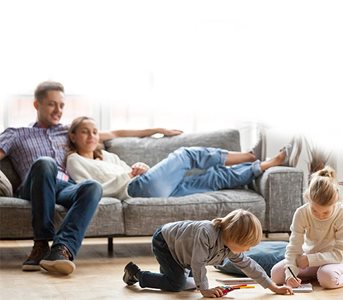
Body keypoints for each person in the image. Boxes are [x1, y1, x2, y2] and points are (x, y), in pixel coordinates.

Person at [0, 81, 182, 275]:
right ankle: (41, 243)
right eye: (52, 104)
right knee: (45, 163)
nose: (58, 110)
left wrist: (158, 130)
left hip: (64, 186)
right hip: (34, 185)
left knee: (93, 187)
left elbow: (116, 133)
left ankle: (62, 250)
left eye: (61, 105)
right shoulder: (16, 134)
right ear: (37, 105)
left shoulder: (68, 131)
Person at [65, 116, 302, 199]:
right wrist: (130, 175)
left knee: (213, 178)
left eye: (94, 132)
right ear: (73, 136)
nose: (91, 136)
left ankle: (264, 164)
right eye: (85, 131)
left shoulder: (107, 155)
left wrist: (140, 166)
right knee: (186, 154)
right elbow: (89, 189)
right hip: (135, 189)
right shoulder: (75, 161)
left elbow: (132, 168)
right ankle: (250, 155)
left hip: (150, 185)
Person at [123, 209, 293, 297]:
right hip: (166, 242)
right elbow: (198, 263)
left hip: (183, 252)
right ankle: (136, 274)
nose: (247, 250)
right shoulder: (206, 233)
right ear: (232, 237)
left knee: (186, 282)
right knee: (177, 285)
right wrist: (205, 290)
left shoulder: (230, 247)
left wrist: (273, 287)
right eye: (245, 245)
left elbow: (250, 266)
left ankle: (168, 274)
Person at [271, 166, 343, 289]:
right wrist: (290, 275)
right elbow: (294, 248)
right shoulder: (301, 213)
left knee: (328, 278)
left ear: (336, 202)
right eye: (314, 211)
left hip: (338, 259)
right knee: (276, 275)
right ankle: (315, 275)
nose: (320, 216)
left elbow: (341, 253)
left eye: (326, 212)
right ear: (308, 199)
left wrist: (310, 260)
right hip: (310, 258)